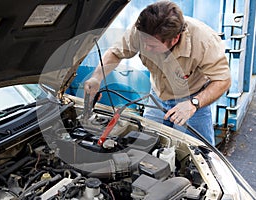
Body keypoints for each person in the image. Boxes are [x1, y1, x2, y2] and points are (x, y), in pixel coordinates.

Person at [84, 0, 231, 145]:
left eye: (152, 46)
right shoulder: (141, 31)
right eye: (144, 43)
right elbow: (115, 53)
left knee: (201, 152)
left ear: (175, 39)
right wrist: (97, 78)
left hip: (193, 99)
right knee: (146, 146)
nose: (146, 49)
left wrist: (193, 104)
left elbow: (223, 80)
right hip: (157, 98)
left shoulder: (204, 41)